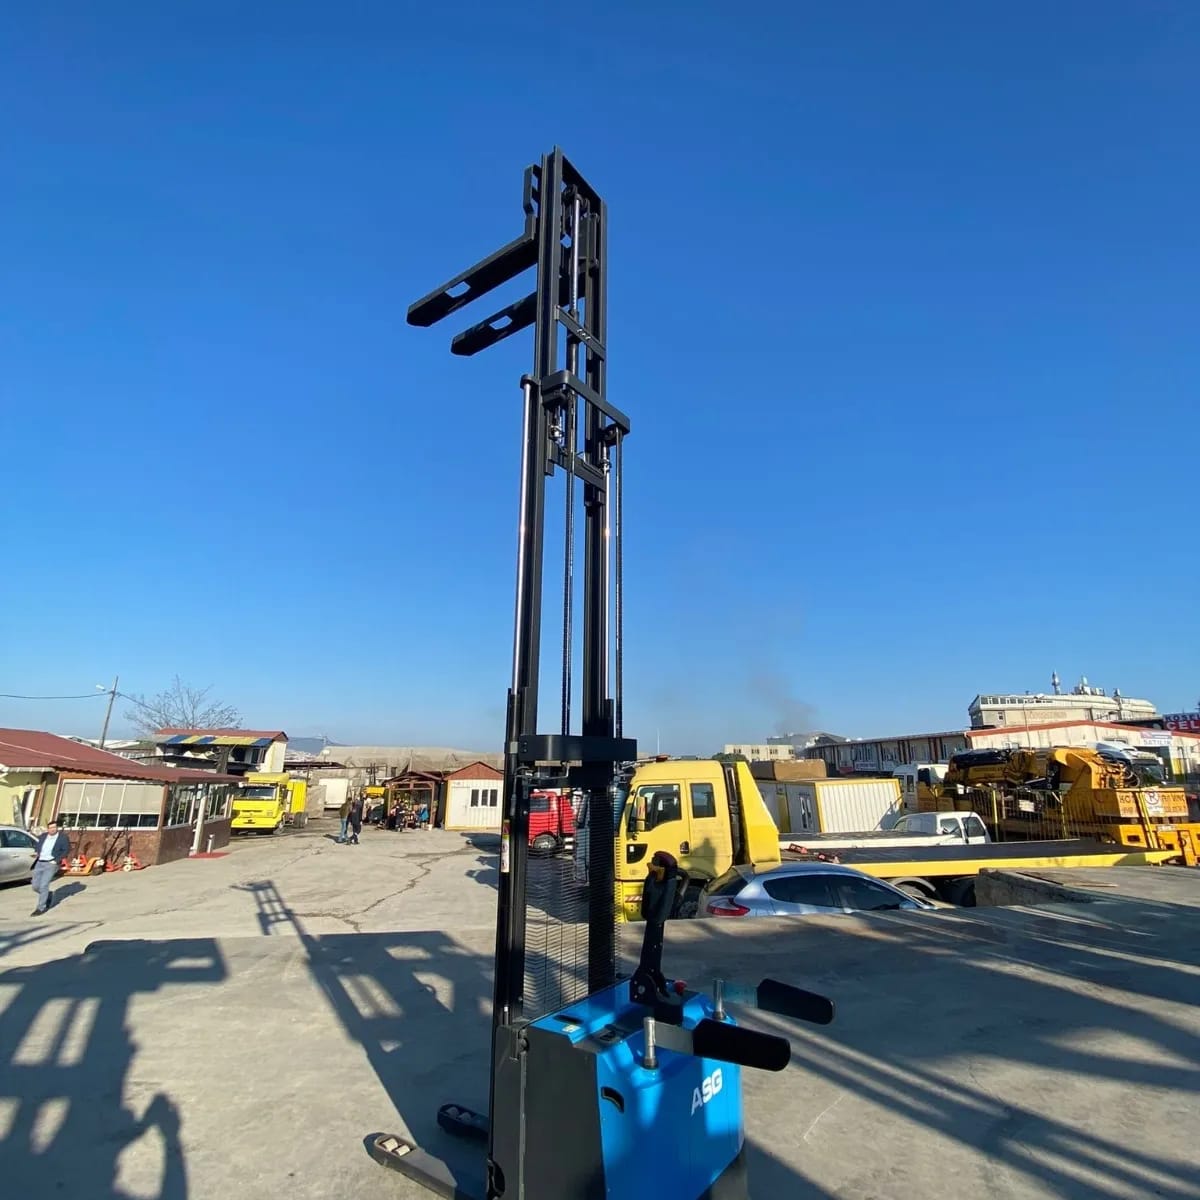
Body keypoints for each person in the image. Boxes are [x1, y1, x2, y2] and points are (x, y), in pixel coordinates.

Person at [31, 818, 70, 916]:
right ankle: (48, 894)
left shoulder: (62, 838)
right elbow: (38, 846)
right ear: (47, 829)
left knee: (44, 885)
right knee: (35, 886)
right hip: (40, 862)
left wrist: (55, 861)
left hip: (51, 863)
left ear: (57, 828)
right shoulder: (43, 836)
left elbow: (66, 850)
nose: (52, 829)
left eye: (54, 827)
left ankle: (40, 908)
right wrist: (37, 852)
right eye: (50, 828)